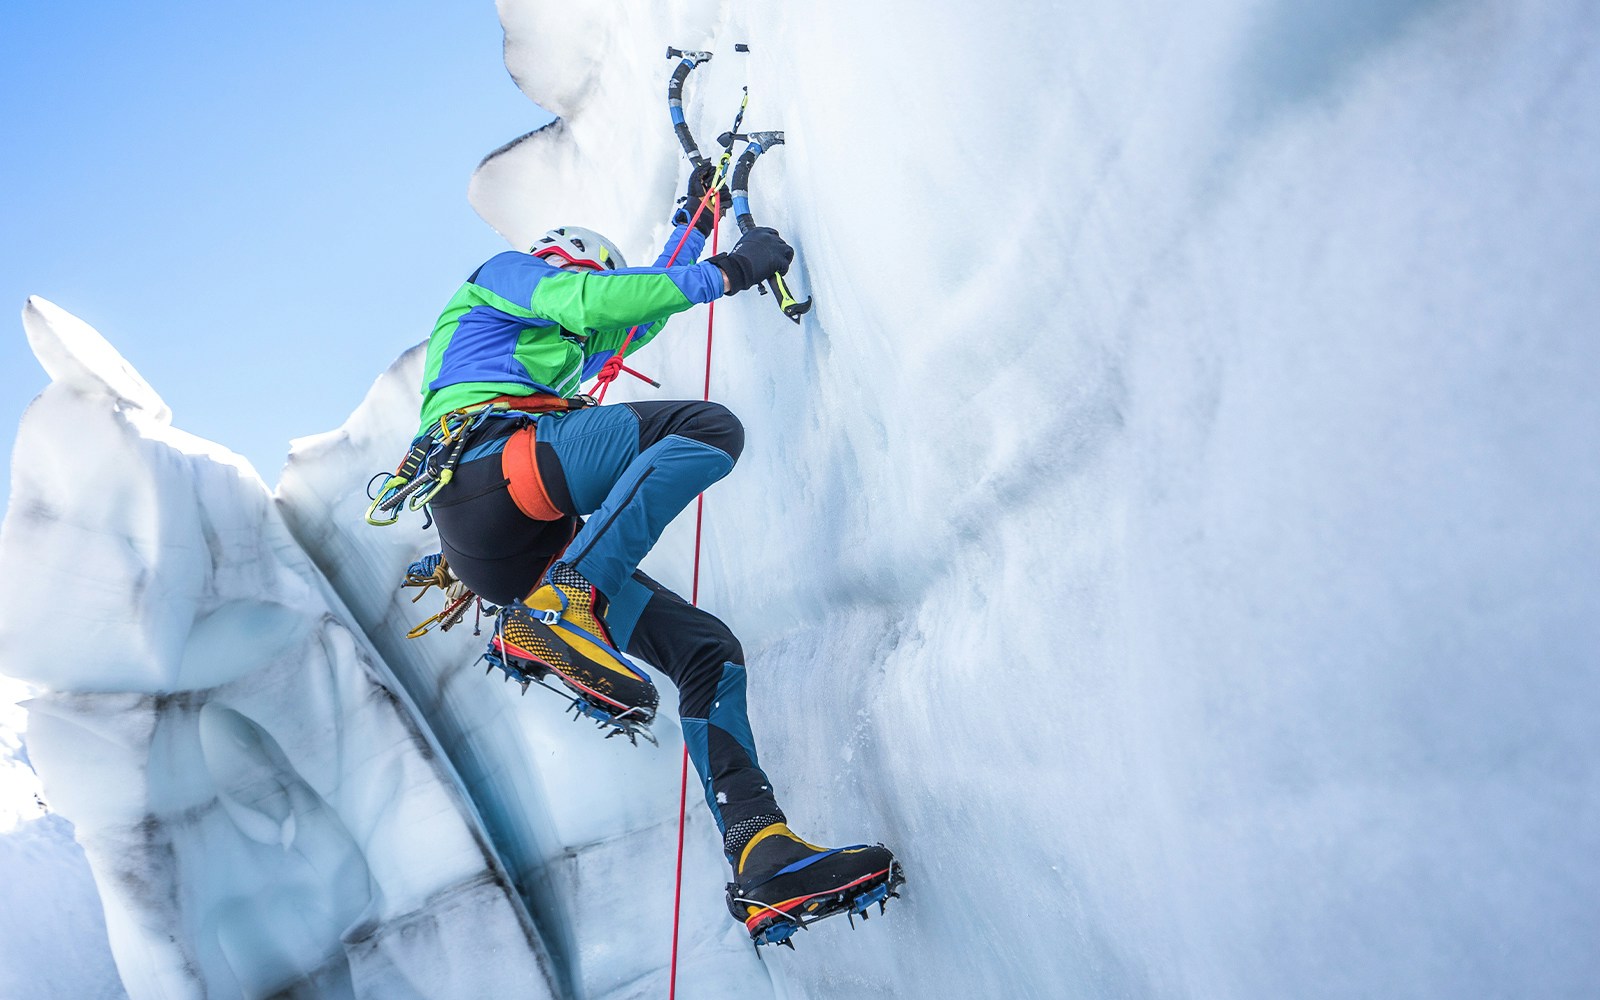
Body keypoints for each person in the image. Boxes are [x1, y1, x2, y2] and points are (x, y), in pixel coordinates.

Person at [405, 168, 901, 944]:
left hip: (509, 547)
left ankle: (763, 854)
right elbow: (593, 302)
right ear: (562, 257)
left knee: (706, 651)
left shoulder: (559, 334)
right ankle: (565, 604)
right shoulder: (503, 278)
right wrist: (731, 270)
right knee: (704, 429)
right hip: (490, 471)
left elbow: (633, 320)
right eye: (592, 273)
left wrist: (694, 225)